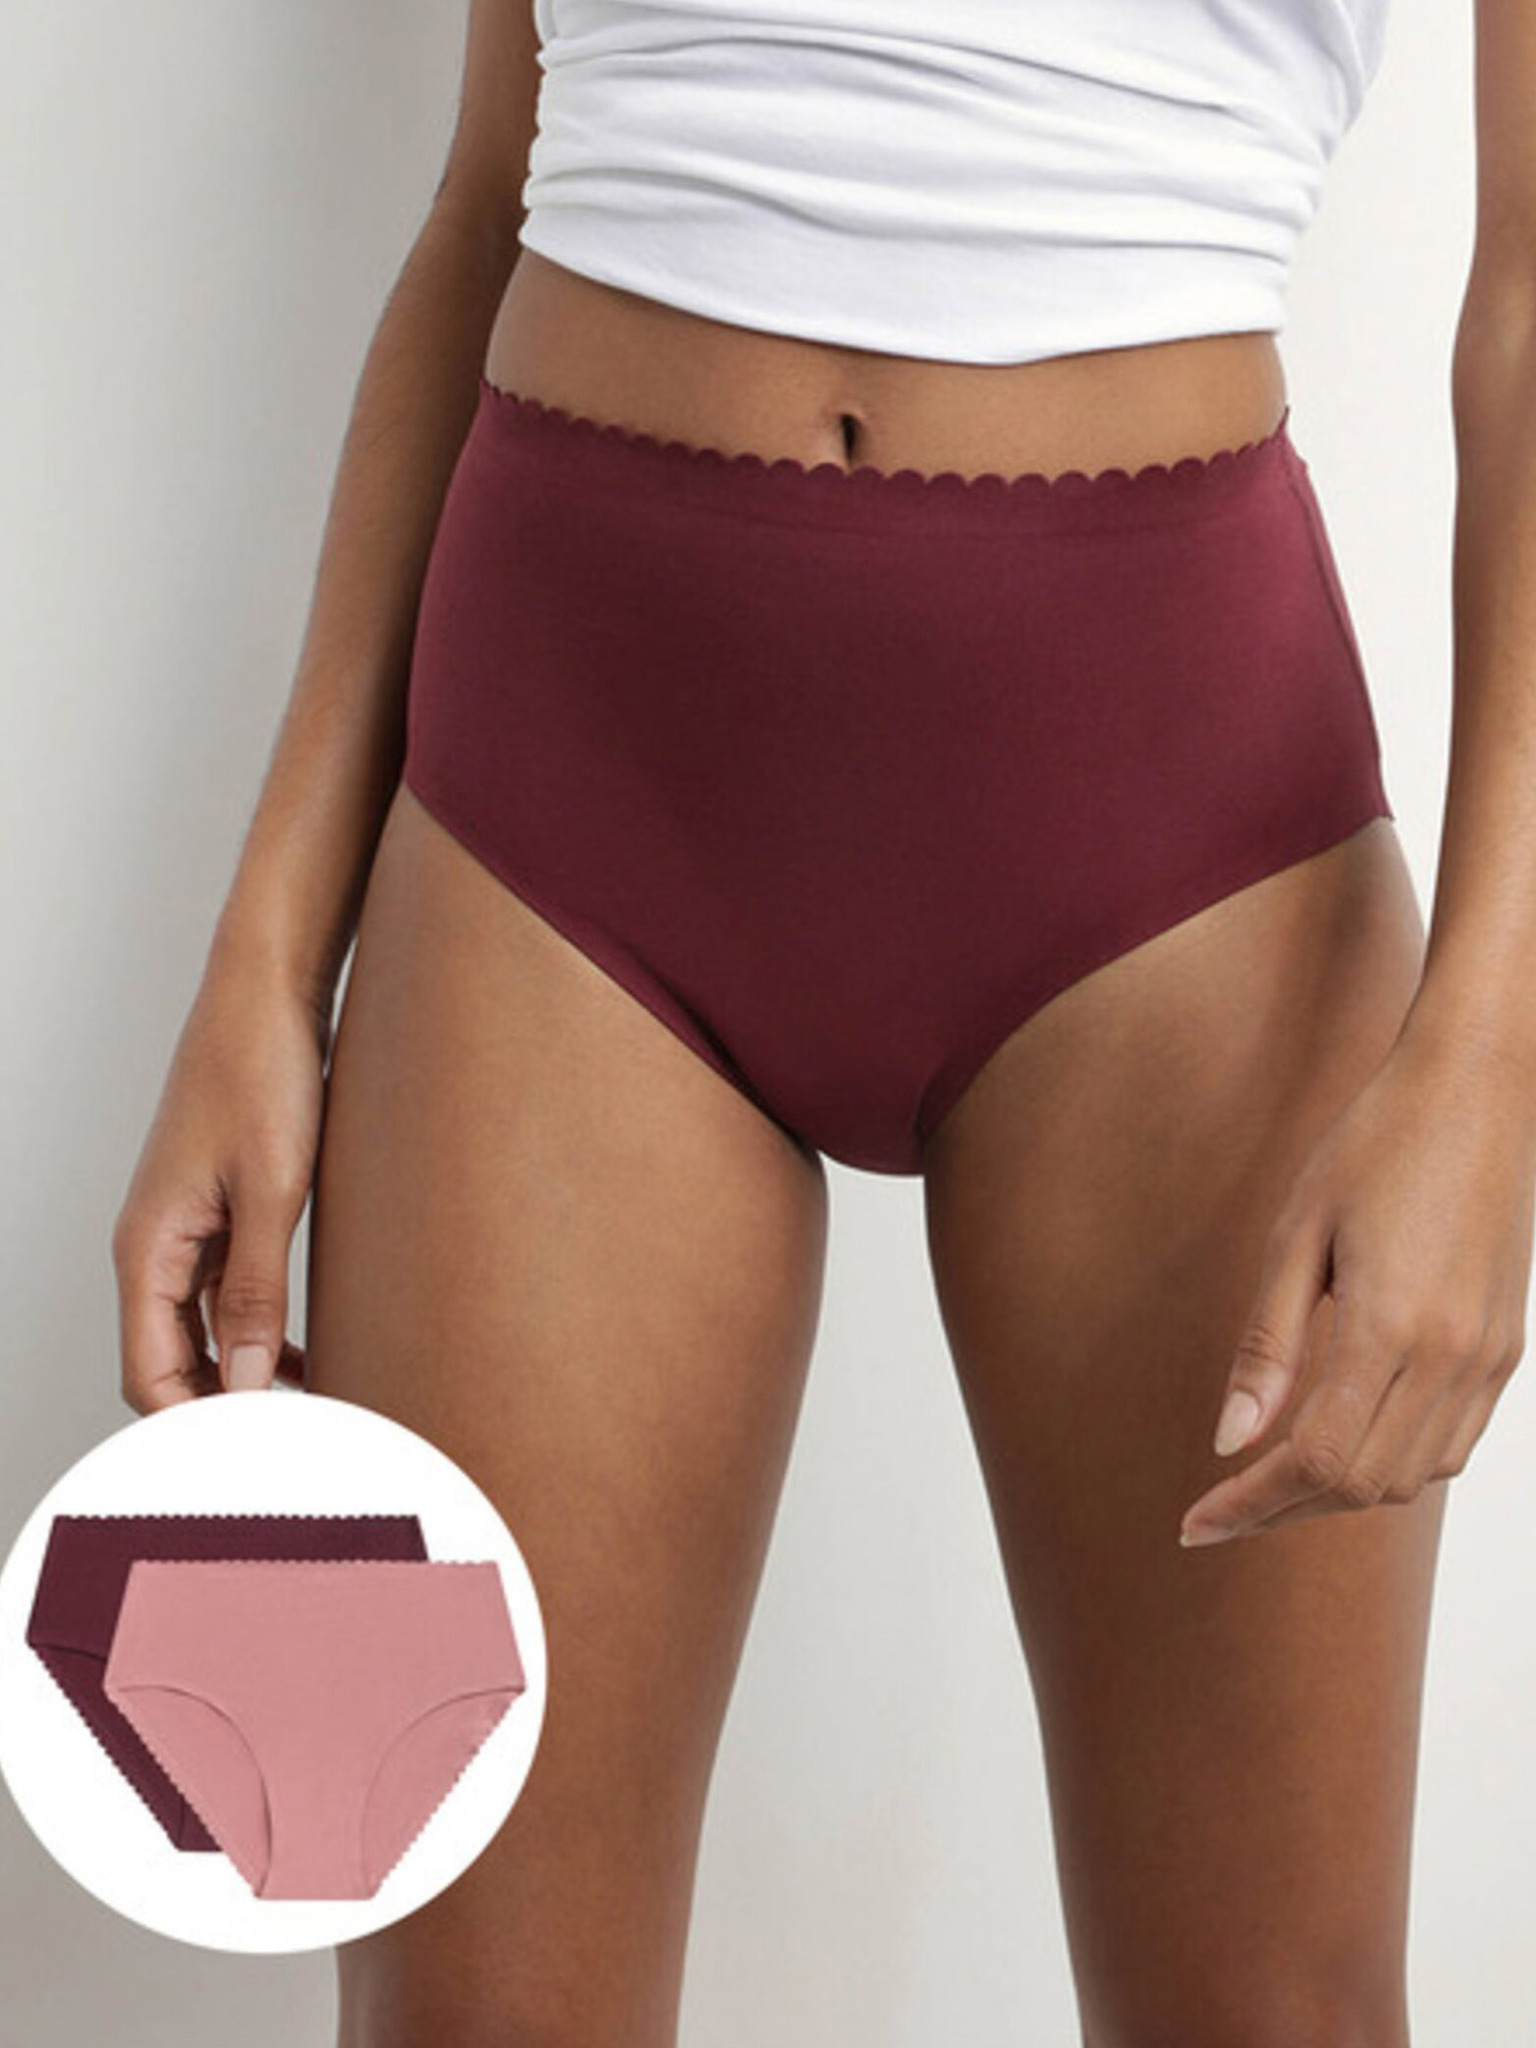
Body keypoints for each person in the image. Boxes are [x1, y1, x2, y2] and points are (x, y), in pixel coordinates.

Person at [110, 0, 1536, 2041]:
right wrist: (265, 957)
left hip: (1176, 828)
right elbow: (490, 192)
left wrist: (1494, 1056)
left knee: (1271, 2012)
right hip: (559, 800)